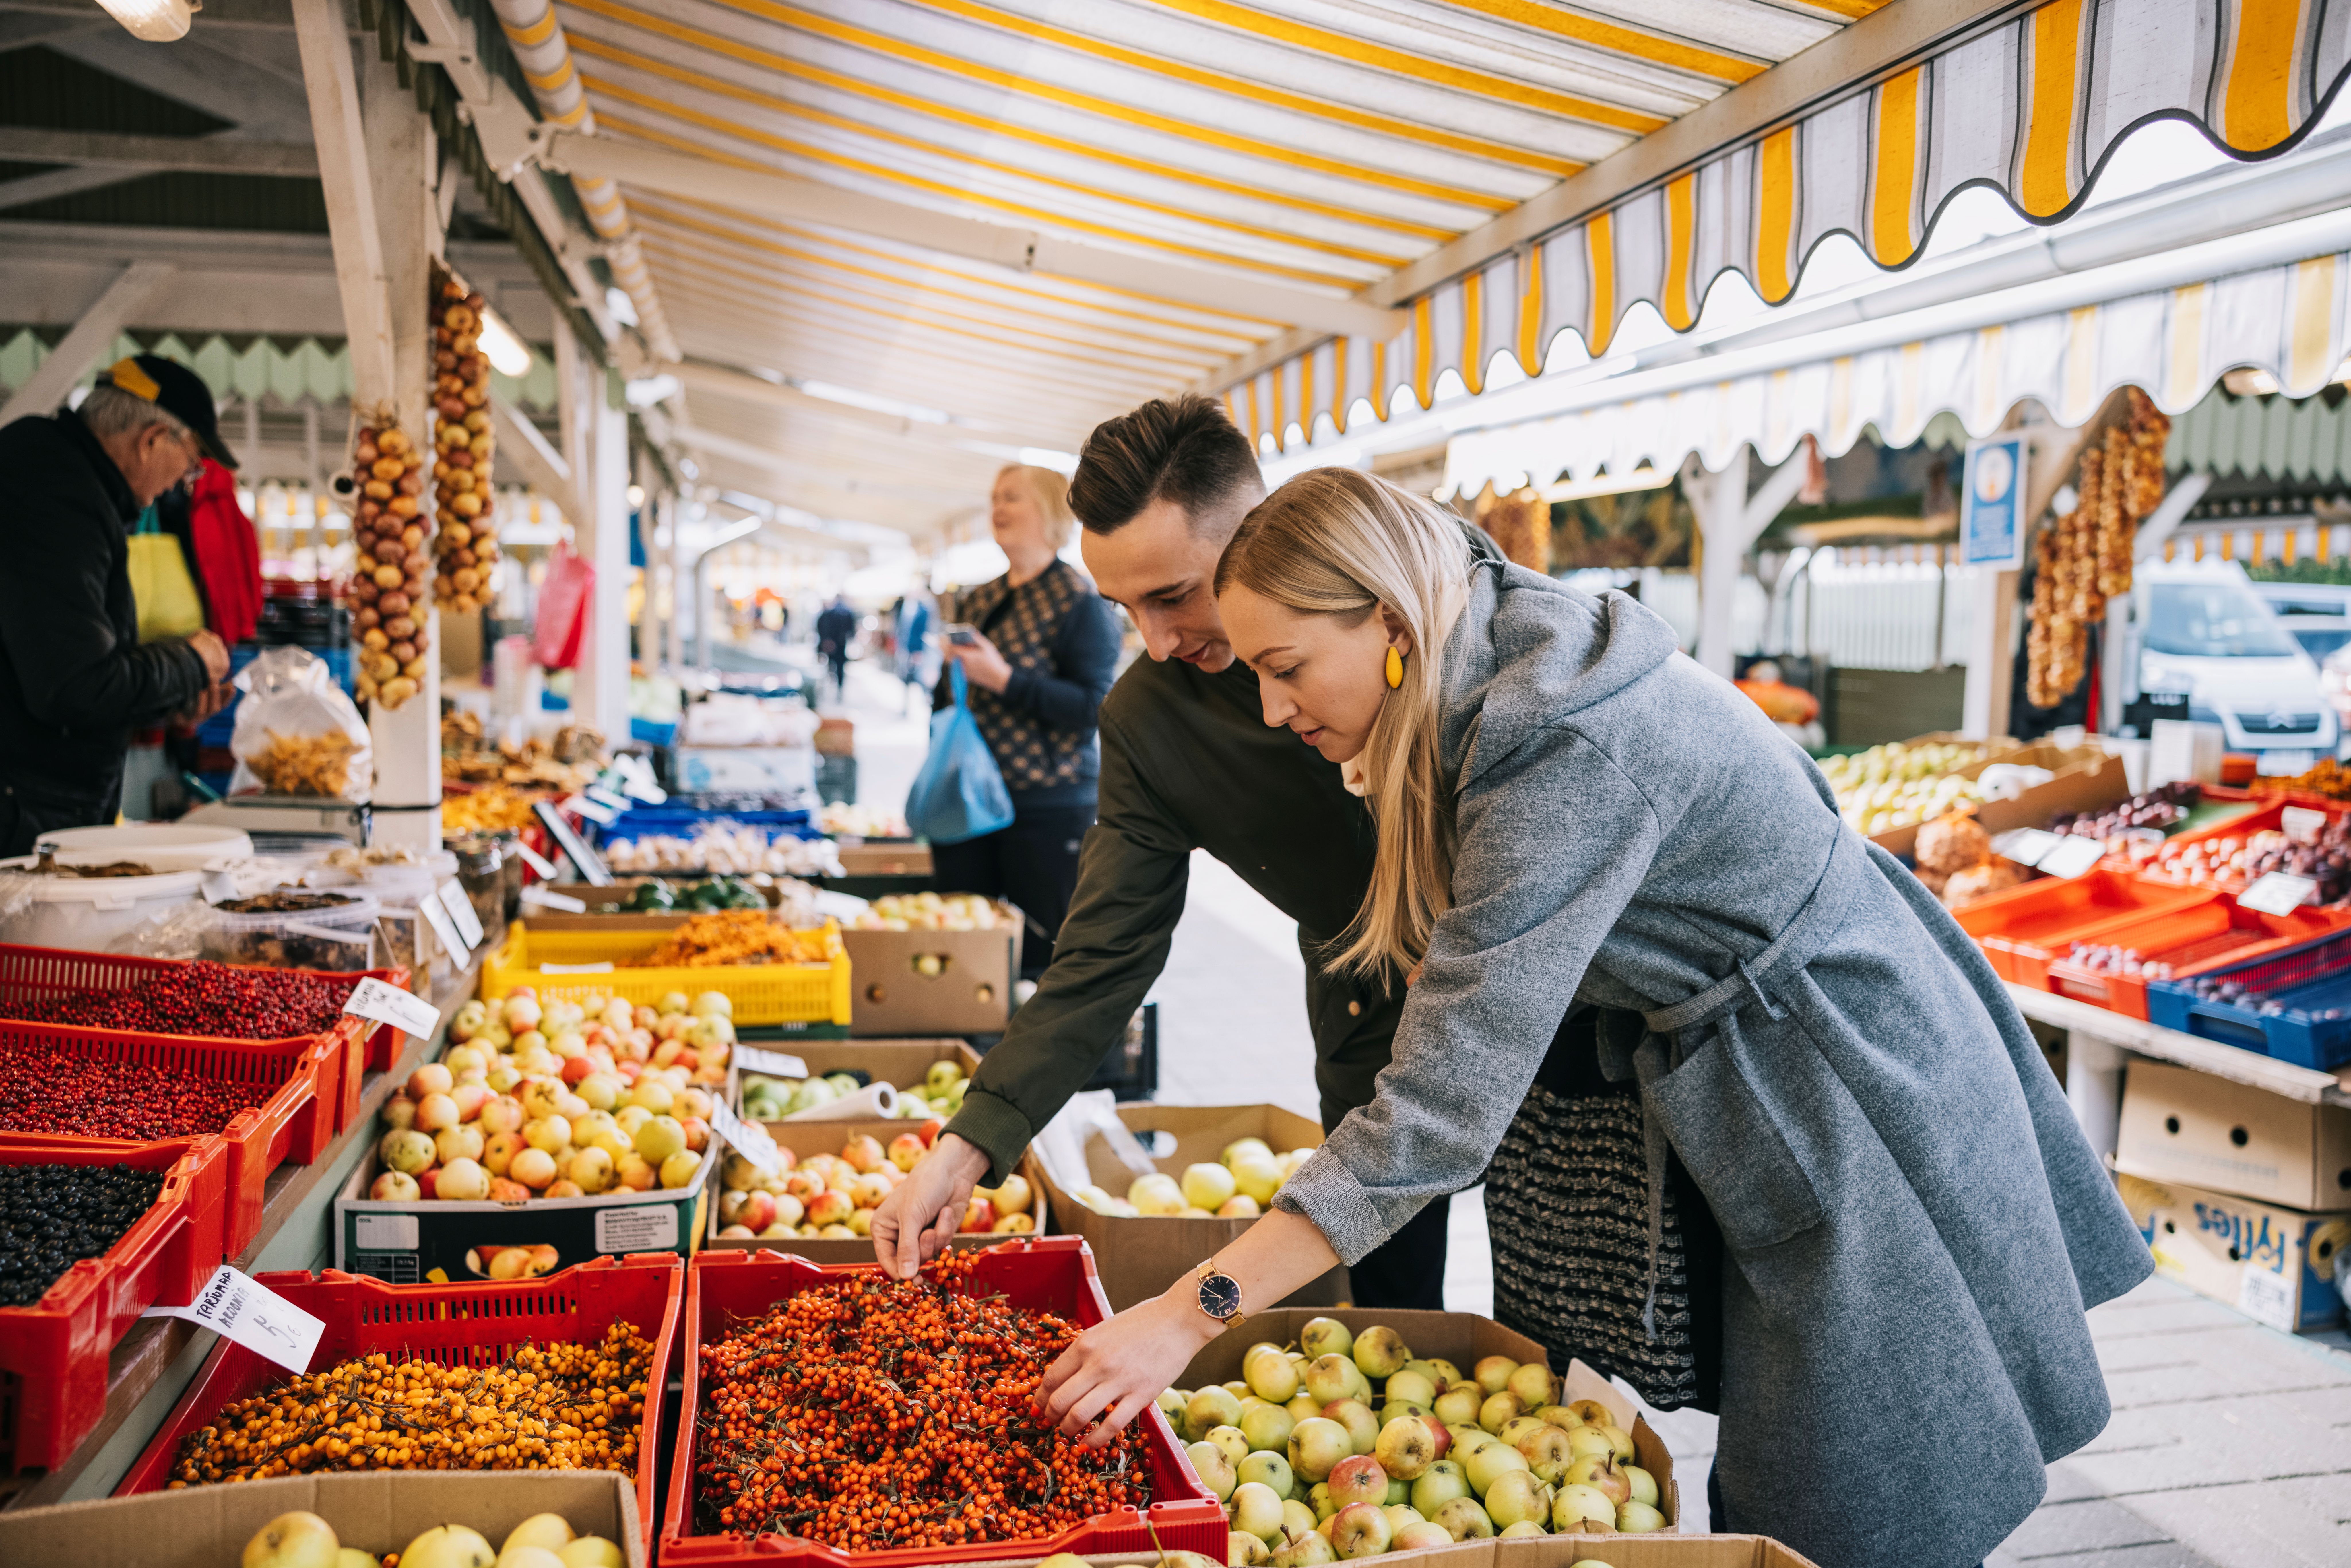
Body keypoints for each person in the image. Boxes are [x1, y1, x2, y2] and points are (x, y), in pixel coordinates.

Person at [1026, 467, 2153, 1568]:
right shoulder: (1475, 623)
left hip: (1827, 1064)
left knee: (1845, 1475)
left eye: (1284, 669)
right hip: (1729, 1053)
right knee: (1782, 1431)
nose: (1271, 710)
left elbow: (1432, 1117)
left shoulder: (1548, 742)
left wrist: (1189, 1309)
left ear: (1386, 620)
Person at [873, 397, 1497, 1309]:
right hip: (1371, 1015)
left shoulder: (1414, 605)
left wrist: (1191, 1313)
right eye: (1126, 608)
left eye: (1174, 595)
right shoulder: (1148, 719)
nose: (1158, 643)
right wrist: (970, 1142)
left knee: (1562, 1291)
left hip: (1545, 994)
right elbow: (1102, 953)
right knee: (1398, 1304)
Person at [0, 356, 237, 856]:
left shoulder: (57, 476)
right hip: (22, 816)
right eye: (192, 463)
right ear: (152, 440)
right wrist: (190, 661)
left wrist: (170, 698)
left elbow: (57, 668)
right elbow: (73, 686)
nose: (183, 482)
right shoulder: (57, 497)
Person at [928, 465, 1120, 978]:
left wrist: (1004, 679)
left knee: (1043, 953)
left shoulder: (1081, 601)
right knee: (964, 945)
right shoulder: (980, 598)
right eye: (994, 496)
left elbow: (1094, 708)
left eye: (1012, 497)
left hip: (1045, 806)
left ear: (1051, 511)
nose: (998, 507)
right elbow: (946, 696)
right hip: (969, 797)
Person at [814, 593, 856, 700]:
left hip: (831, 644)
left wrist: (826, 641)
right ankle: (839, 688)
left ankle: (829, 687)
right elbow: (851, 631)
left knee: (830, 667)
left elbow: (820, 628)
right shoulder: (847, 613)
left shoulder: (830, 612)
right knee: (840, 667)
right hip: (841, 645)